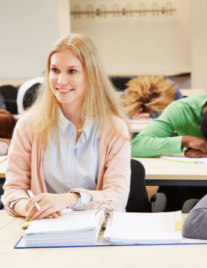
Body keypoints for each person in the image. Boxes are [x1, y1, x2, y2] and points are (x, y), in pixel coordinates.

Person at [3, 34, 131, 220]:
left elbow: (117, 198)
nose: (61, 81)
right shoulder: (29, 125)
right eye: (55, 70)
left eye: (72, 71)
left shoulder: (113, 127)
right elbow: (14, 190)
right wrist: (32, 209)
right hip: (44, 227)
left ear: (91, 74)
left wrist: (70, 199)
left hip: (99, 229)